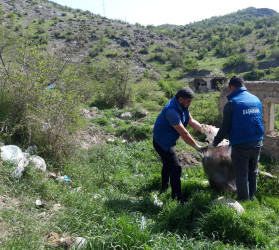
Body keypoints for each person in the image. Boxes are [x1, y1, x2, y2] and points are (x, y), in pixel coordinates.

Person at [208, 75, 264, 201]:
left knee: (241, 174)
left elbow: (224, 128)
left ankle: (244, 201)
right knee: (253, 172)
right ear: (243, 86)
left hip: (241, 145)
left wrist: (214, 143)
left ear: (232, 87)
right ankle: (252, 198)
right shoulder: (256, 100)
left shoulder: (232, 104)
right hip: (257, 142)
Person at [153, 87, 206, 202]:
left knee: (168, 164)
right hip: (161, 142)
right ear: (181, 99)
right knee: (176, 168)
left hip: (167, 140)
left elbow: (191, 121)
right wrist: (197, 147)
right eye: (188, 101)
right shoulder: (171, 111)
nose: (189, 104)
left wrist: (205, 130)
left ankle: (164, 188)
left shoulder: (182, 106)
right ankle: (177, 199)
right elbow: (184, 133)